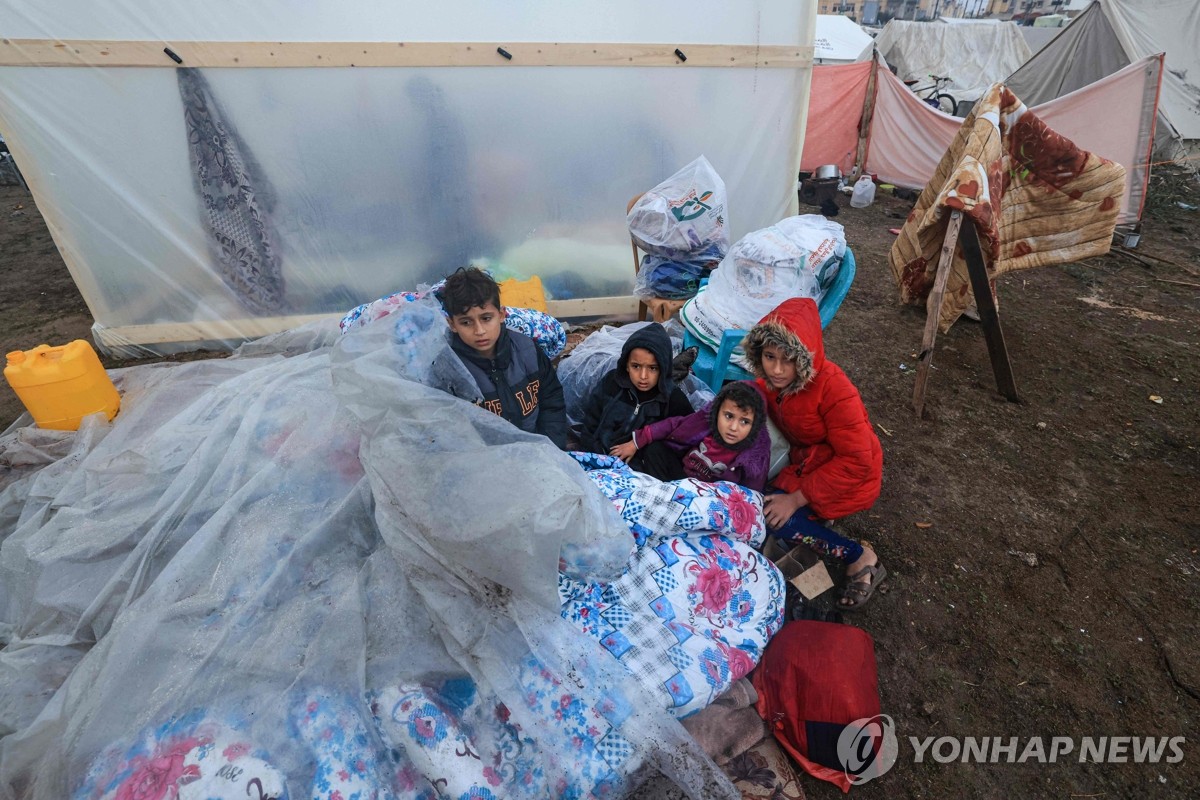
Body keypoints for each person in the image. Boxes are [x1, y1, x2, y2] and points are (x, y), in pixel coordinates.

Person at [742, 297, 886, 610]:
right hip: (805, 465)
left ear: (805, 358)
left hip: (847, 475)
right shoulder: (769, 383)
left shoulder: (835, 389)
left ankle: (859, 556)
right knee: (756, 511)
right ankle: (813, 536)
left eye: (788, 359)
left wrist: (795, 499)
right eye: (769, 356)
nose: (777, 369)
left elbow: (858, 461)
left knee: (778, 520)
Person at [439, 267, 568, 449]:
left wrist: (552, 449)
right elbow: (449, 432)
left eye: (486, 318)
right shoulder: (449, 369)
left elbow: (552, 400)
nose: (480, 331)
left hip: (539, 452)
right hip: (486, 463)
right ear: (452, 324)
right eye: (466, 322)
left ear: (501, 315)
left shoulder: (527, 350)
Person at [611, 381, 771, 493]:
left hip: (708, 501)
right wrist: (636, 443)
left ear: (755, 425)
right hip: (679, 480)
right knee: (655, 450)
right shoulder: (705, 423)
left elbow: (751, 495)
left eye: (745, 421)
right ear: (717, 412)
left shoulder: (754, 458)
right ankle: (658, 494)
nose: (733, 427)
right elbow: (673, 425)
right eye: (728, 416)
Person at [577, 323, 693, 465]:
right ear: (626, 365)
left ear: (664, 368)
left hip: (638, 470)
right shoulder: (612, 383)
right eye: (636, 366)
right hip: (597, 457)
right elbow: (591, 421)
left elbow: (685, 436)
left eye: (653, 368)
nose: (643, 376)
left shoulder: (672, 399)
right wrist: (589, 454)